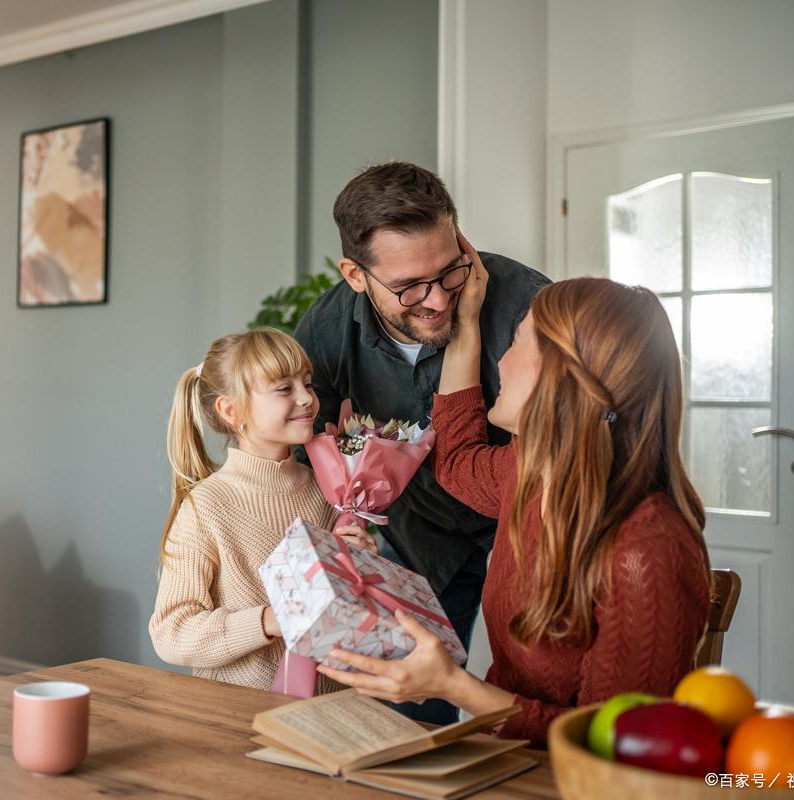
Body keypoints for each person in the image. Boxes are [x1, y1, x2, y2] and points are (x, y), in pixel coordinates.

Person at [319, 257, 713, 747]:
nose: (501, 359)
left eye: (520, 339)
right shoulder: (531, 472)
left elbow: (615, 743)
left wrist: (452, 686)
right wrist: (463, 326)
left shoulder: (648, 548)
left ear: (565, 376)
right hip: (504, 760)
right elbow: (457, 459)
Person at [294, 161, 549, 723]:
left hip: (528, 529)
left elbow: (574, 444)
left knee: (532, 709)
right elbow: (302, 439)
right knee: (408, 717)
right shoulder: (329, 328)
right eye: (409, 288)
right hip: (414, 542)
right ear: (356, 276)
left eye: (450, 271)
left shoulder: (528, 306)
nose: (437, 300)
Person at [148, 329, 373, 692]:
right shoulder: (207, 507)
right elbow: (171, 633)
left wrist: (363, 569)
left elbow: (345, 618)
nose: (306, 399)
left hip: (332, 711)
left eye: (308, 384)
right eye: (284, 389)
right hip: (240, 718)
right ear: (230, 410)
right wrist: (269, 621)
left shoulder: (331, 490)